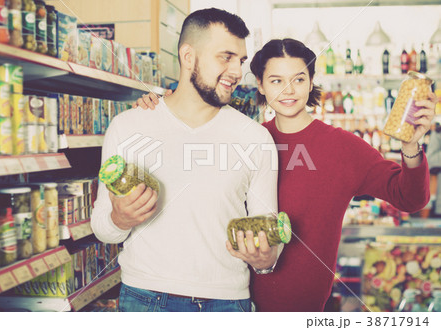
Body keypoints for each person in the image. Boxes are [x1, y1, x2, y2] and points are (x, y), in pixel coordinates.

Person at [137, 38, 437, 312]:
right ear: (261, 85)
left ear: (310, 84)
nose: (288, 90)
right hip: (229, 300)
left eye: (298, 79)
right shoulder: (243, 139)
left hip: (304, 306)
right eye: (276, 80)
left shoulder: (343, 147)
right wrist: (156, 110)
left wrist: (411, 144)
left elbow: (410, 198)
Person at [91, 8, 280, 312]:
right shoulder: (128, 127)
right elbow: (102, 228)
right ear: (188, 56)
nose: (236, 71)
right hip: (144, 299)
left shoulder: (255, 138)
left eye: (241, 61)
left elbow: (268, 230)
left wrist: (267, 258)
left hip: (228, 303)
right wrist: (120, 219)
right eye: (225, 57)